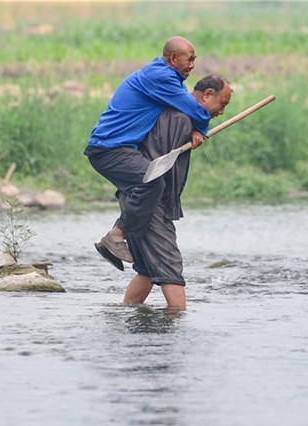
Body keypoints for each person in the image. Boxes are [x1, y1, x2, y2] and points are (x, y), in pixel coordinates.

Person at [86, 74, 232, 309]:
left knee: (146, 270)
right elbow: (158, 165)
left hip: (135, 198)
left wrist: (195, 129)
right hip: (151, 203)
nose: (222, 111)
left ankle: (128, 318)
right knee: (170, 267)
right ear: (206, 95)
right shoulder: (180, 118)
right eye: (222, 103)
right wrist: (167, 203)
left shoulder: (177, 113)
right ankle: (176, 329)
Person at [84, 36, 210, 269]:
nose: (193, 65)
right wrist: (201, 126)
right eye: (189, 59)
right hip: (108, 150)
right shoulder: (160, 77)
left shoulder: (168, 78)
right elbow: (196, 110)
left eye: (194, 60)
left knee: (149, 183)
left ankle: (125, 241)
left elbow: (183, 108)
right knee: (152, 181)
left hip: (119, 149)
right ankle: (116, 236)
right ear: (173, 58)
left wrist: (194, 128)